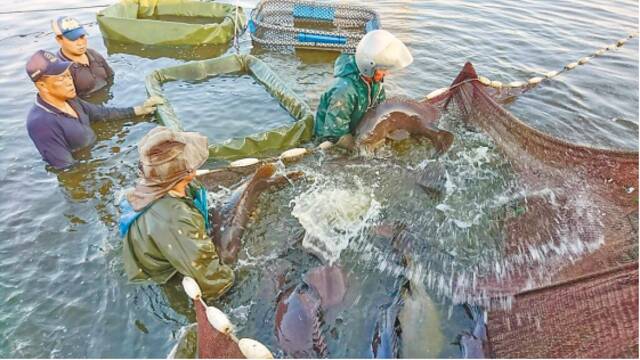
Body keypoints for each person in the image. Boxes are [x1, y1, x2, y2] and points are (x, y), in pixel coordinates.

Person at [119, 126, 234, 300]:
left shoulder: (161, 185)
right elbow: (212, 281)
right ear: (186, 173)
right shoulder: (175, 218)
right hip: (163, 276)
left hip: (166, 244)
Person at [25, 49, 161, 169]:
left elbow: (103, 114)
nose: (69, 82)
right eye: (61, 79)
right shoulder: (41, 123)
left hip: (95, 150)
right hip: (83, 166)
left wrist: (140, 110)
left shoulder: (70, 99)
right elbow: (67, 169)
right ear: (42, 85)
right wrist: (109, 164)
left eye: (68, 75)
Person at [314, 30, 413, 149]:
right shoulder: (344, 90)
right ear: (368, 67)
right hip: (332, 136)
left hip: (359, 129)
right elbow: (336, 132)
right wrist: (357, 149)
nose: (386, 73)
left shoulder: (375, 82)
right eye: (383, 69)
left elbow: (381, 110)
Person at [52, 16, 113, 98]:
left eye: (82, 37)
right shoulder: (59, 68)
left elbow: (111, 76)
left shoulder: (94, 54)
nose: (80, 43)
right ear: (59, 40)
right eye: (73, 39)